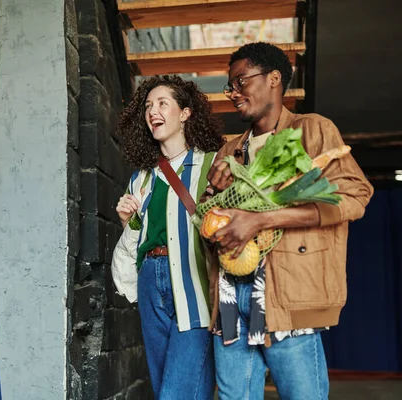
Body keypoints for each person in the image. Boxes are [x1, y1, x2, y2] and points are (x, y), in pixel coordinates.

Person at [206, 42, 374, 399]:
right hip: (231, 301)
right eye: (230, 86)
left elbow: (356, 197)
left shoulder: (312, 131)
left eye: (241, 81)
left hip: (288, 296)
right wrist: (211, 198)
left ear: (274, 79)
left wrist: (261, 220)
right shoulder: (228, 151)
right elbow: (211, 229)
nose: (234, 93)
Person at [111, 75, 224, 399]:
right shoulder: (141, 178)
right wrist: (128, 222)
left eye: (162, 103)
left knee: (176, 392)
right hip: (150, 280)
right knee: (165, 387)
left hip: (193, 281)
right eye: (148, 106)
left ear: (185, 113)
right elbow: (136, 245)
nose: (152, 111)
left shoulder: (212, 164)